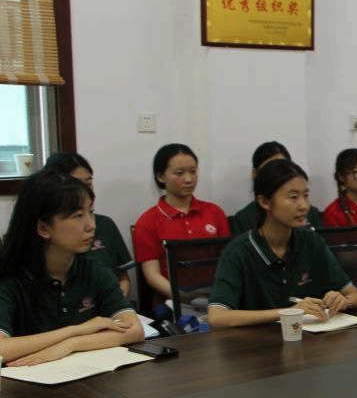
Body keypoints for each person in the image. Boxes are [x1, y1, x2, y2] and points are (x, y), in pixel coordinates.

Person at [0, 169, 143, 366]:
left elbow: (134, 330)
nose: (91, 225)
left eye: (91, 212)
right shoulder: (11, 279)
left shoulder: (94, 270)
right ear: (43, 228)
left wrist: (72, 344)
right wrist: (76, 330)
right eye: (78, 215)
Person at [208, 160, 357, 328]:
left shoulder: (311, 241)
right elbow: (217, 317)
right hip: (257, 342)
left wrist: (343, 300)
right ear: (265, 202)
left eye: (306, 195)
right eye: (293, 197)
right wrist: (289, 312)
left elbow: (356, 295)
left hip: (310, 338)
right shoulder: (238, 251)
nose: (303, 206)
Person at [133, 143, 231, 302]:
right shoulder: (147, 221)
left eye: (193, 171)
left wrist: (219, 295)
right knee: (185, 320)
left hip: (214, 297)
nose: (188, 179)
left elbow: (228, 261)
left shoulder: (215, 212)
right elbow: (152, 276)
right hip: (169, 302)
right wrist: (185, 297)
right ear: (160, 176)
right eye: (179, 173)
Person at [43, 151, 135, 297]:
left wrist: (115, 304)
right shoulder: (48, 234)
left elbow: (123, 279)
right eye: (75, 184)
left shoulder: (105, 224)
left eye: (88, 183)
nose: (91, 227)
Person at [229, 141, 323, 234]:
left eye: (283, 168)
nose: (303, 206)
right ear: (255, 174)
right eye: (269, 169)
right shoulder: (244, 218)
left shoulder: (310, 213)